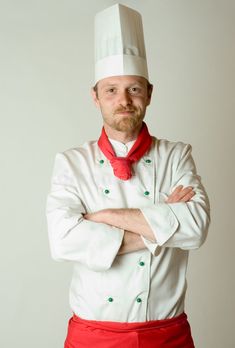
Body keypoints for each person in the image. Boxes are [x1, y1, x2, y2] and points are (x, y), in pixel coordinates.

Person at [46, 4, 210, 347]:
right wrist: (161, 227)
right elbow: (62, 241)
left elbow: (195, 227)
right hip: (93, 334)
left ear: (149, 93)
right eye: (111, 90)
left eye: (134, 89)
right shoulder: (72, 162)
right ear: (95, 97)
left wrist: (104, 218)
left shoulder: (176, 155)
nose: (124, 100)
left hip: (166, 334)